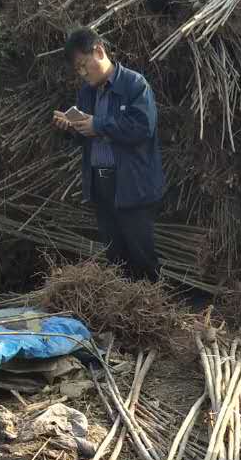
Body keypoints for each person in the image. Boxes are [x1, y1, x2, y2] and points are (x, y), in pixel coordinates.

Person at [53, 28, 165, 282]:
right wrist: (70, 128)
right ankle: (124, 313)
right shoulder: (87, 93)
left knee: (142, 256)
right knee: (115, 257)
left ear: (99, 51)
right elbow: (86, 135)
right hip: (101, 185)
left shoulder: (134, 85)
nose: (82, 74)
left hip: (132, 184)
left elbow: (142, 127)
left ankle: (153, 311)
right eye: (78, 70)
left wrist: (99, 125)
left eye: (84, 66)